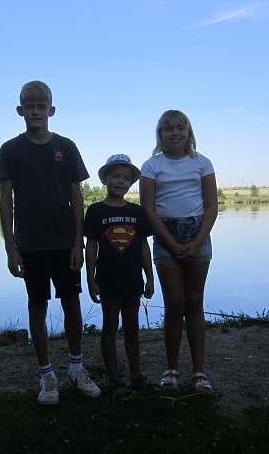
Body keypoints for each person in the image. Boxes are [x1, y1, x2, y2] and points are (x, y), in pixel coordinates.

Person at [0, 80, 101, 404]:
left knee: (72, 302)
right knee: (37, 305)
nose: (35, 112)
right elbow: (5, 200)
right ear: (20, 111)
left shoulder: (66, 147)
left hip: (64, 241)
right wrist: (10, 247)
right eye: (29, 107)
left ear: (51, 110)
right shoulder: (9, 150)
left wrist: (78, 242)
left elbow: (76, 197)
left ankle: (76, 369)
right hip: (29, 244)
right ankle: (47, 376)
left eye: (41, 107)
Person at [139, 110, 218, 392]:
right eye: (168, 129)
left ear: (189, 133)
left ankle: (199, 372)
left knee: (194, 302)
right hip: (165, 234)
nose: (174, 133)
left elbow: (211, 205)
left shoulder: (202, 163)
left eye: (180, 128)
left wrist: (197, 243)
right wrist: (172, 244)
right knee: (175, 304)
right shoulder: (151, 166)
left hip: (198, 233)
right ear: (160, 135)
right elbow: (148, 209)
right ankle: (171, 369)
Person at [85, 154, 156, 401]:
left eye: (126, 178)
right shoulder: (95, 211)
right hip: (107, 280)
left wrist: (150, 277)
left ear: (131, 183)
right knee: (110, 327)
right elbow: (91, 246)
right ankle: (115, 380)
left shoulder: (137, 212)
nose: (120, 181)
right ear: (104, 178)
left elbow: (144, 246)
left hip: (133, 280)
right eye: (115, 176)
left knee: (132, 328)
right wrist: (90, 278)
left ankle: (136, 376)